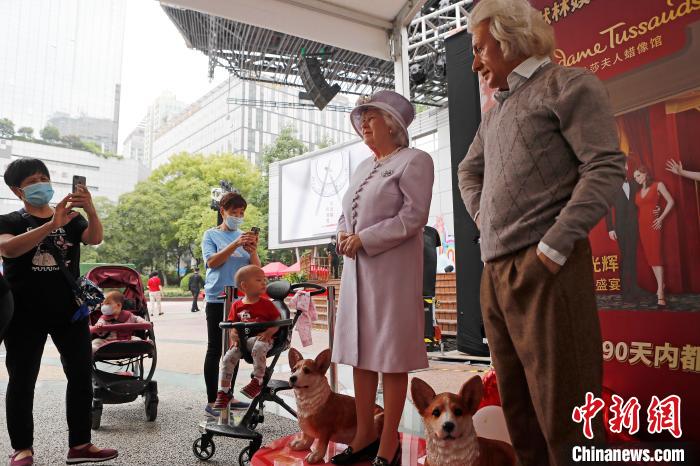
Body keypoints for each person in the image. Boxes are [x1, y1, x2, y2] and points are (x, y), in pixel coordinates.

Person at [457, 1, 626, 465]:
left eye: (480, 48)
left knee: (567, 410)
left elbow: (606, 166)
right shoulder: (495, 113)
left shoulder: (569, 84)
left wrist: (551, 248)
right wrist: (487, 223)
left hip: (546, 268)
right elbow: (468, 171)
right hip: (496, 273)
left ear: (509, 39)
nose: (474, 62)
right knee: (519, 407)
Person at [330, 90, 434, 466]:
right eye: (361, 120)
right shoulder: (362, 168)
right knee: (360, 355)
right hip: (357, 272)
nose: (364, 126)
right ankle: (364, 435)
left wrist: (366, 239)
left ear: (392, 122)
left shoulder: (415, 160)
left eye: (370, 118)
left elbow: (413, 216)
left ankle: (388, 444)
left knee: (390, 357)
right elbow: (346, 213)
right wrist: (343, 233)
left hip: (391, 274)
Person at [0, 158, 117, 465]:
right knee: (22, 379)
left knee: (80, 375)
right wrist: (52, 225)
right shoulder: (9, 220)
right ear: (17, 190)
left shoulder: (73, 218)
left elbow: (95, 237)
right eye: (32, 181)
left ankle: (80, 445)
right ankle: (22, 448)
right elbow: (8, 249)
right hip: (24, 311)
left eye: (45, 177)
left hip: (69, 310)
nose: (42, 183)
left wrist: (89, 209)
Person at [201, 191, 260, 416]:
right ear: (222, 211)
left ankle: (228, 395)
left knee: (234, 348)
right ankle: (211, 400)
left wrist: (252, 251)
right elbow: (212, 262)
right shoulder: (211, 235)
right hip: (218, 298)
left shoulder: (244, 238)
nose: (238, 216)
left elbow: (256, 268)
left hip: (240, 301)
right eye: (233, 212)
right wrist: (235, 244)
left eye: (241, 212)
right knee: (215, 349)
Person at [213, 265, 280, 406]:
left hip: (263, 340)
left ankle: (258, 380)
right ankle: (224, 391)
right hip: (244, 342)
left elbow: (278, 322)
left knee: (259, 345)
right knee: (227, 358)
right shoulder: (237, 305)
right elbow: (233, 326)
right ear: (244, 286)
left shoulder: (267, 304)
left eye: (264, 280)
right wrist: (234, 335)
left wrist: (268, 333)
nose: (264, 283)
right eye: (258, 280)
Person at [633, 165, 675, 307]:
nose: (636, 179)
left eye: (638, 175)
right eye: (635, 177)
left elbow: (671, 201)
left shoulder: (658, 185)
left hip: (653, 225)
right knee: (650, 258)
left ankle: (661, 294)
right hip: (642, 227)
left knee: (656, 256)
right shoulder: (639, 192)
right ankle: (660, 286)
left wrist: (661, 218)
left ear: (645, 174)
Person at [605, 160, 646, 301]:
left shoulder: (634, 183)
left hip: (634, 226)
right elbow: (607, 209)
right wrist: (610, 228)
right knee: (625, 257)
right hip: (620, 227)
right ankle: (625, 291)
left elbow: (645, 197)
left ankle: (634, 288)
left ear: (627, 167)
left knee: (632, 256)